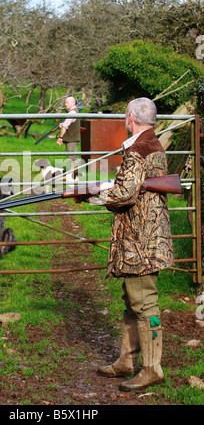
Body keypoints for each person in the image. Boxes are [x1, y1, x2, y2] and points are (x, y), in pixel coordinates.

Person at [77, 97, 174, 391]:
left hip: (140, 242)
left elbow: (124, 195)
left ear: (130, 117)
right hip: (144, 236)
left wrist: (93, 194)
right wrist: (105, 187)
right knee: (132, 302)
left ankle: (152, 368)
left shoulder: (137, 150)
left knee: (144, 304)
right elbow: (137, 187)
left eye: (124, 114)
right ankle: (127, 361)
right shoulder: (153, 144)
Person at [57, 96, 81, 169]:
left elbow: (65, 126)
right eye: (65, 102)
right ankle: (74, 175)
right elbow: (67, 123)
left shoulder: (72, 112)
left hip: (72, 139)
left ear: (72, 103)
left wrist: (60, 138)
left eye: (67, 102)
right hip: (72, 138)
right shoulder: (74, 111)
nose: (65, 104)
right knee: (72, 157)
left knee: (72, 158)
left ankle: (74, 176)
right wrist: (62, 124)